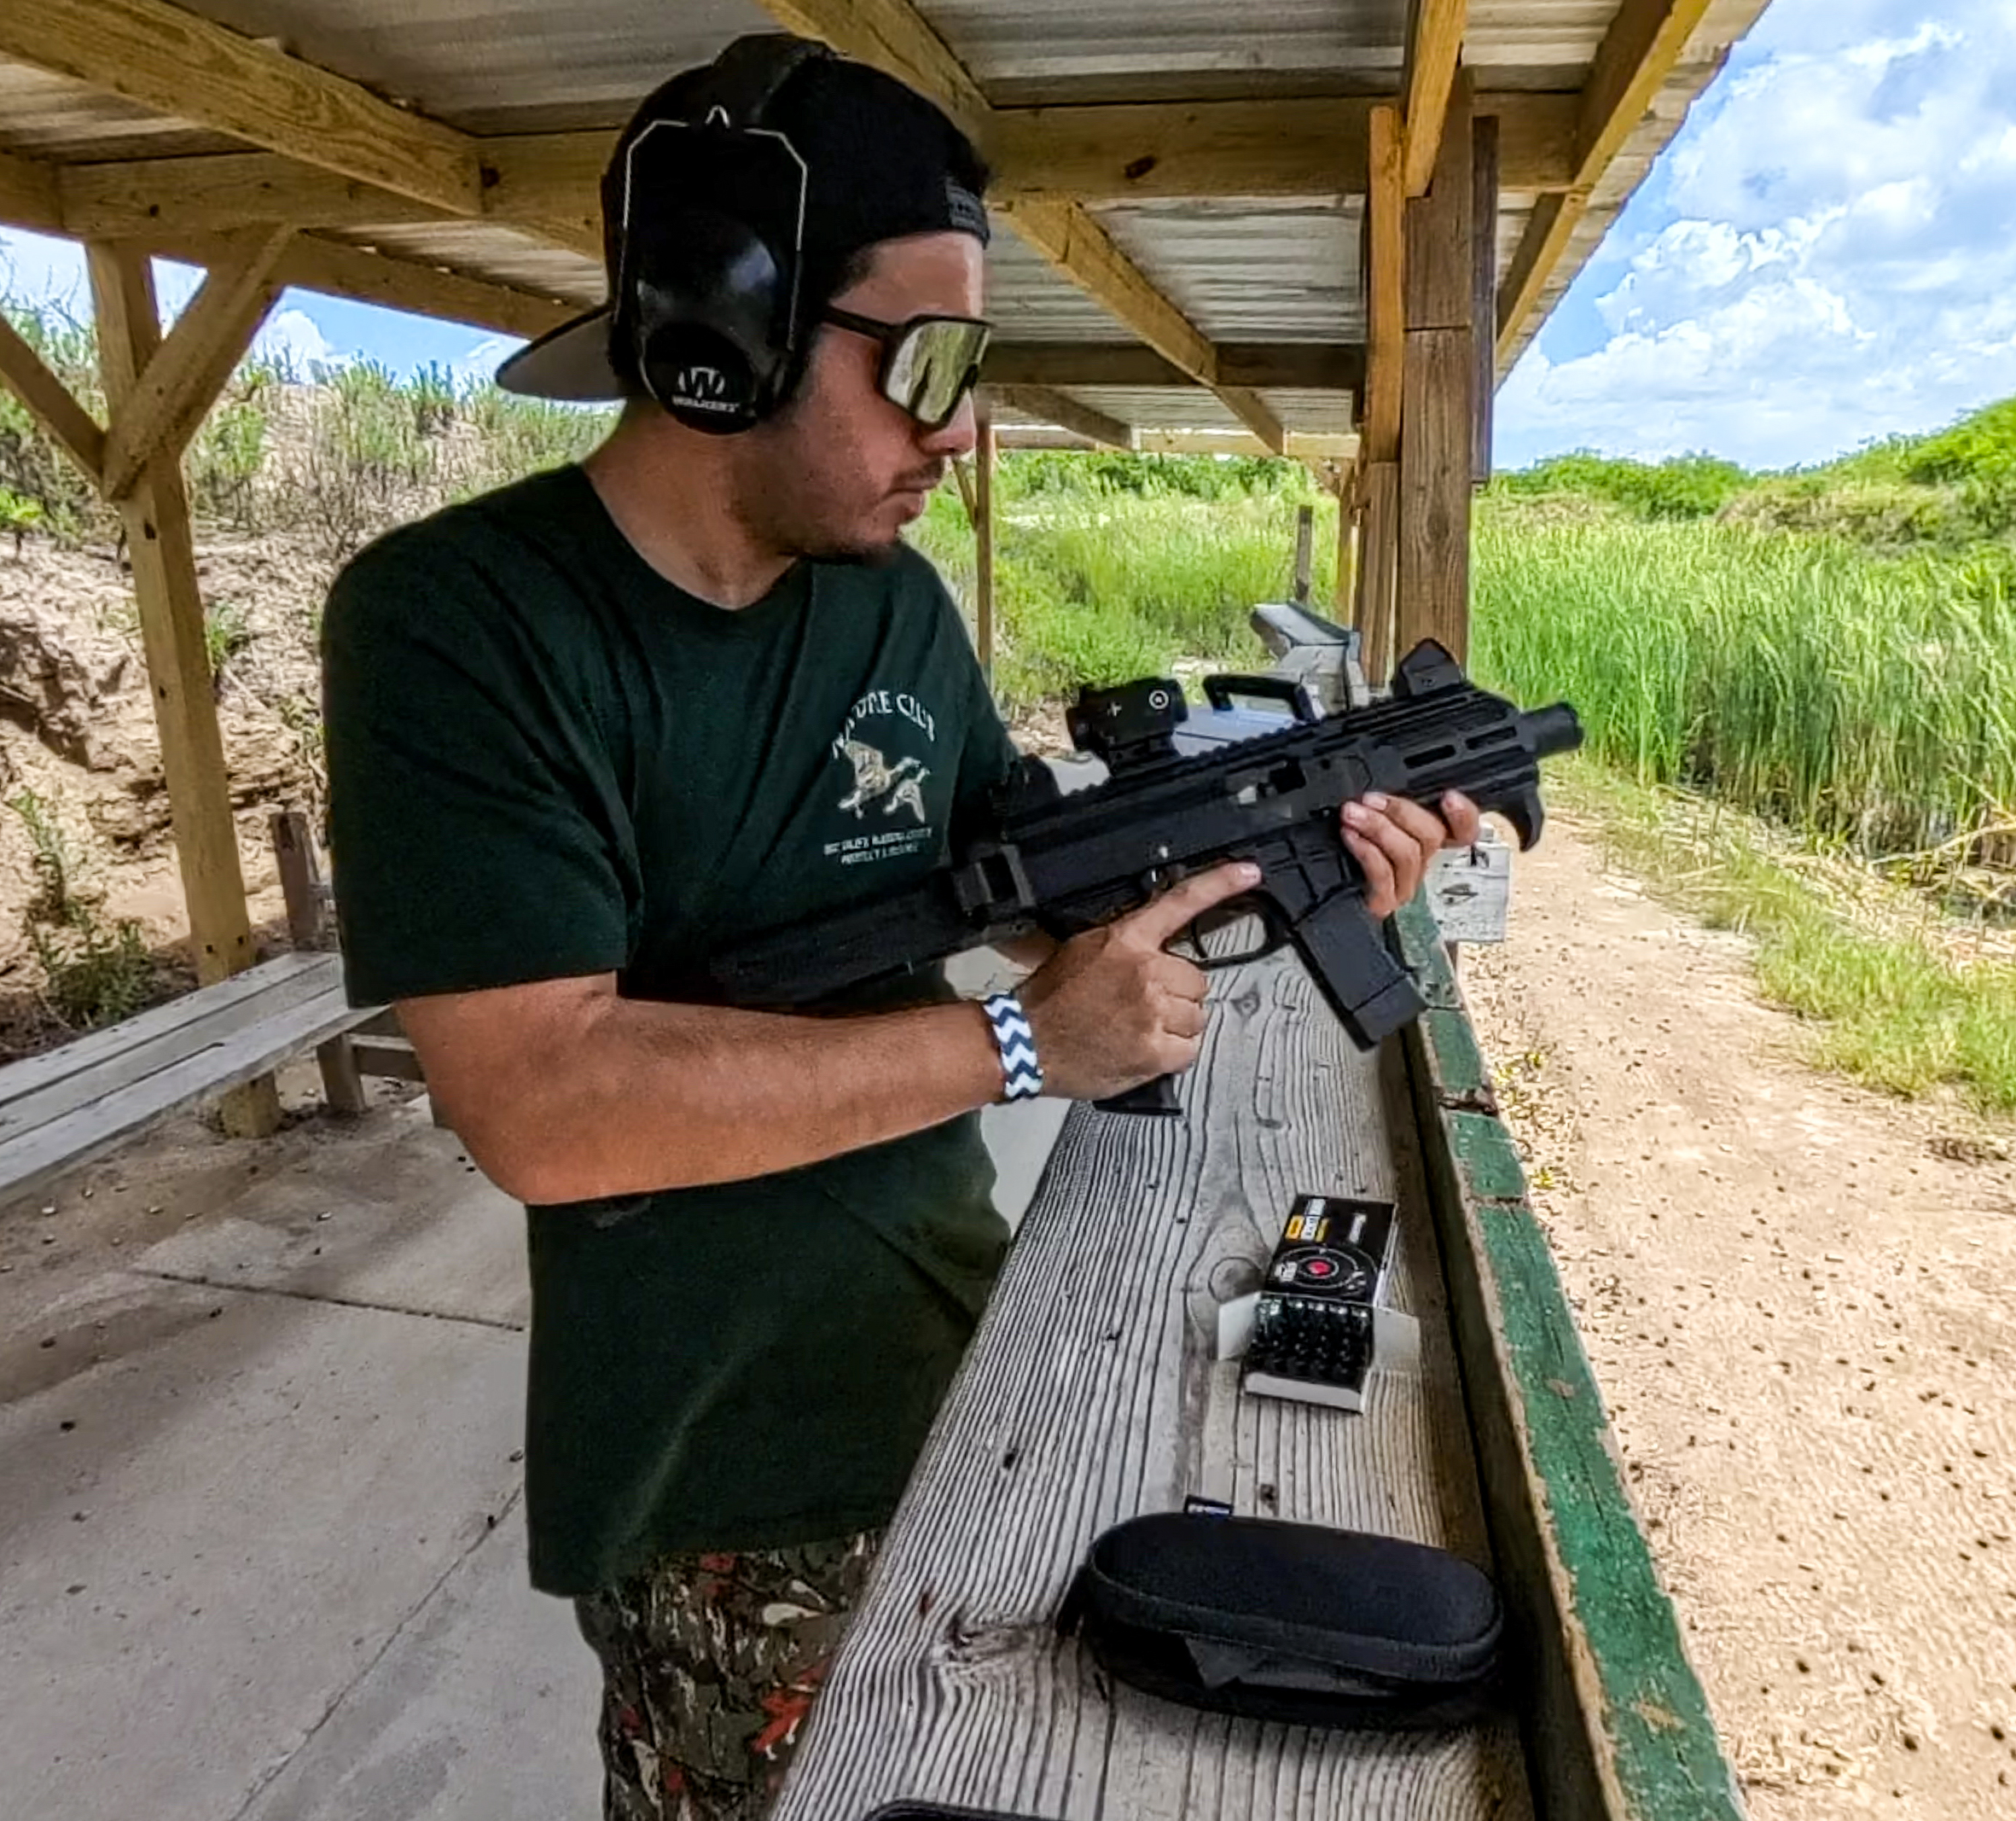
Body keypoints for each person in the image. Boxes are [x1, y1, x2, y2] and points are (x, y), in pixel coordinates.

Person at [317, 35, 1476, 1819]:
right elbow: (542, 1100)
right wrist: (1027, 1044)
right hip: (726, 1468)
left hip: (961, 1337)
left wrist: (1289, 845)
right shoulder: (464, 623)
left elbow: (1018, 879)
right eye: (925, 360)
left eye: (978, 365)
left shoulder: (889, 603)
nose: (963, 425)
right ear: (731, 328)